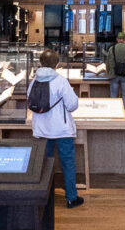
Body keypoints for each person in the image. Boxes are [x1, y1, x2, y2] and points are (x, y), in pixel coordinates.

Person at [27, 48, 83, 208]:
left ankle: (45, 196)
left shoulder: (34, 81)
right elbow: (72, 105)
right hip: (62, 129)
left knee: (44, 164)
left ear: (40, 63)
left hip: (41, 130)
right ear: (57, 64)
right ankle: (71, 197)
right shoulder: (60, 81)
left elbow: (30, 102)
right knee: (67, 162)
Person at [106, 31, 125, 105]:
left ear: (117, 39)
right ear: (124, 39)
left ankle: (114, 111)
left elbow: (108, 62)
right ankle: (124, 112)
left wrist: (108, 72)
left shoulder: (112, 48)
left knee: (113, 95)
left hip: (114, 74)